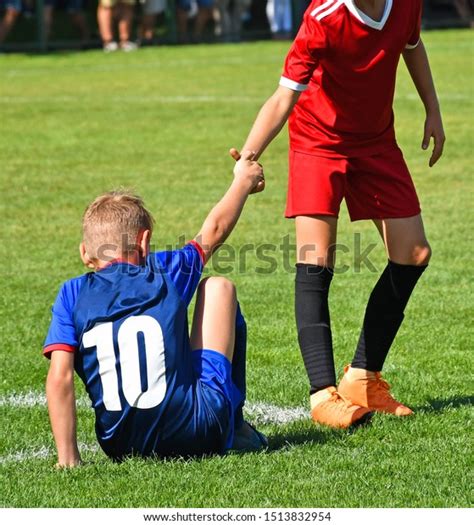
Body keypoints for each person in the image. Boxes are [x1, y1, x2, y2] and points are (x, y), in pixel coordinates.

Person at [231, 0, 445, 429]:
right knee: (315, 261)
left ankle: (363, 378)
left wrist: (432, 109)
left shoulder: (405, 4)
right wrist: (248, 157)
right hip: (318, 141)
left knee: (414, 253)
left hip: (376, 142)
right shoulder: (322, 17)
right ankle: (323, 393)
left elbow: (412, 44)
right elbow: (283, 97)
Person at [43, 153, 267, 467]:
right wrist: (243, 182)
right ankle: (235, 423)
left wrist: (68, 458)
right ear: (144, 242)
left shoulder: (71, 293)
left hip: (119, 444)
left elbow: (60, 377)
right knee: (218, 287)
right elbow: (214, 230)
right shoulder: (163, 270)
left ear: (84, 253)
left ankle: (68, 459)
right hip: (198, 430)